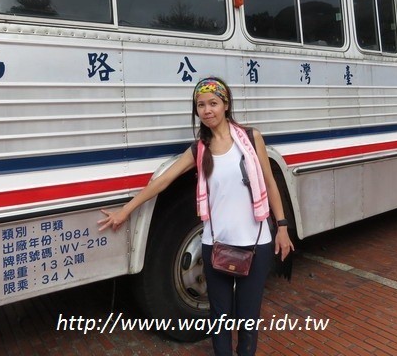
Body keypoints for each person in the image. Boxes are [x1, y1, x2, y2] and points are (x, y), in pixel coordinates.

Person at [98, 76, 294, 355]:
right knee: (220, 320)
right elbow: (162, 181)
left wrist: (283, 227)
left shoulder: (251, 139)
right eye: (200, 105)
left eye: (213, 103)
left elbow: (270, 182)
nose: (207, 110)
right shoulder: (199, 150)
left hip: (257, 242)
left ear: (226, 105)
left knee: (248, 320)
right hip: (217, 246)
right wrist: (125, 211)